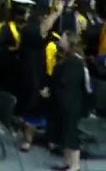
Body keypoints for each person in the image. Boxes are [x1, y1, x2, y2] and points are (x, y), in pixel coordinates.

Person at [48, 30, 87, 171]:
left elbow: (67, 81)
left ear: (70, 42)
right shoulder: (66, 57)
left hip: (71, 102)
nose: (60, 40)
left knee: (71, 133)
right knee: (65, 132)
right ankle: (66, 162)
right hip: (63, 101)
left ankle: (75, 165)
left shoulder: (75, 61)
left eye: (63, 38)